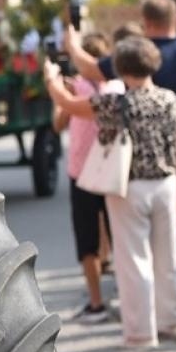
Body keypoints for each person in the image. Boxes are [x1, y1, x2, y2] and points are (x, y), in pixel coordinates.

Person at [66, 0, 176, 309]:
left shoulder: (140, 56)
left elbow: (89, 70)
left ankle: (175, 299)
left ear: (147, 22)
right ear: (175, 19)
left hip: (151, 153)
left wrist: (71, 41)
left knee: (164, 230)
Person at [46, 37, 176, 348]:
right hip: (165, 183)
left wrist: (51, 80)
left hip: (130, 187)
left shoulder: (117, 103)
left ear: (122, 69)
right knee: (168, 257)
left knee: (133, 260)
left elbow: (69, 106)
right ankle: (172, 320)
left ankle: (140, 331)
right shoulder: (170, 99)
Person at [56, 32, 121, 324]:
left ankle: (96, 302)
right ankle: (127, 295)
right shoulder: (117, 87)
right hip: (112, 171)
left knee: (88, 242)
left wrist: (59, 92)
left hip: (81, 173)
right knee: (119, 236)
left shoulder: (77, 88)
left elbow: (58, 124)